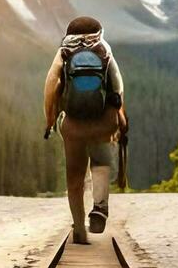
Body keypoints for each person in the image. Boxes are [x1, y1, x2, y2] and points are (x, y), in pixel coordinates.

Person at [43, 16, 126, 244]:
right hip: (103, 121)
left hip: (73, 125)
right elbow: (117, 87)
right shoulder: (103, 49)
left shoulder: (64, 52)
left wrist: (50, 119)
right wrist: (119, 117)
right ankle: (99, 208)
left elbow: (50, 87)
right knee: (100, 164)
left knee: (74, 177)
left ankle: (79, 227)